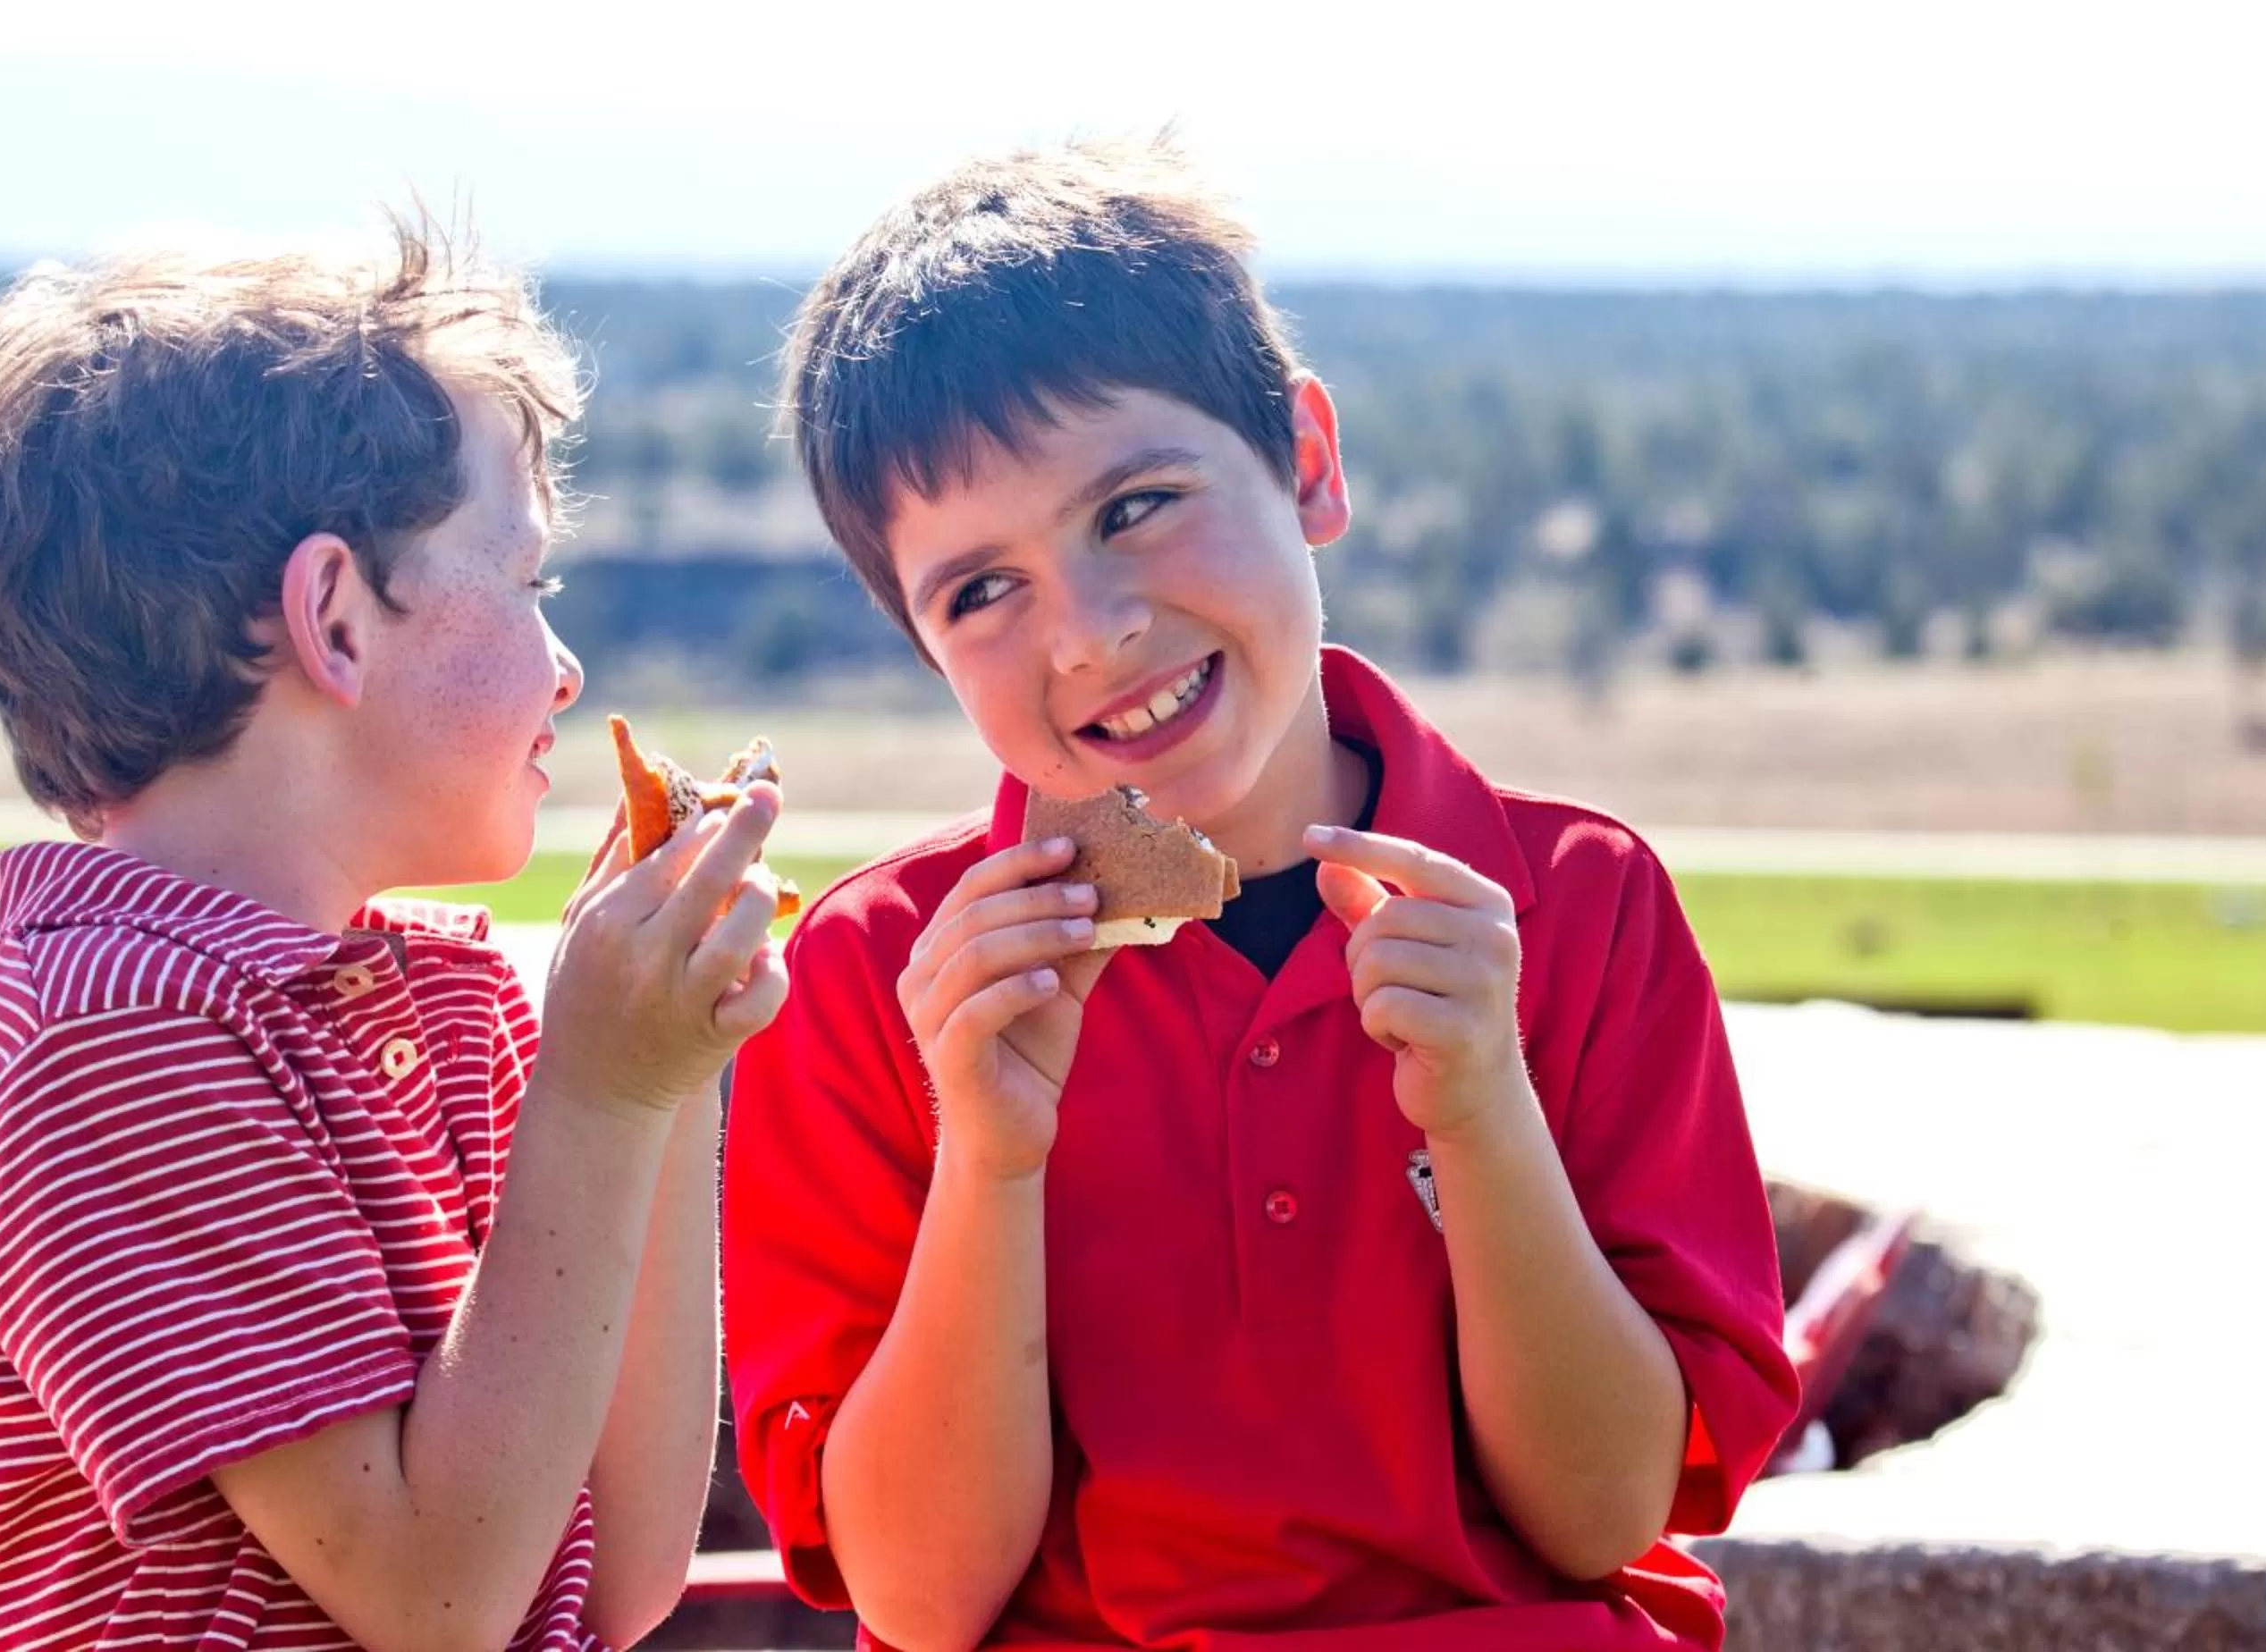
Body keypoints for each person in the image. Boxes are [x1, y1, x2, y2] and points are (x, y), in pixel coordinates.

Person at [722, 140, 1798, 1650]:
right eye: (981, 590)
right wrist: (991, 1158)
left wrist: (1486, 1110)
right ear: (922, 644)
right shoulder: (877, 981)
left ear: (1308, 462)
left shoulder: (1577, 904)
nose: (1091, 636)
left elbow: (1606, 1510)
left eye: (1137, 506)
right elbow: (920, 1594)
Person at [0, 218, 786, 1651]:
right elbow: (434, 1600)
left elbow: (619, 1572)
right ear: (335, 621)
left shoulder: (445, 1000)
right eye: (526, 580)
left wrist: (663, 1068)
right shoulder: (101, 1042)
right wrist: (607, 1092)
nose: (564, 670)